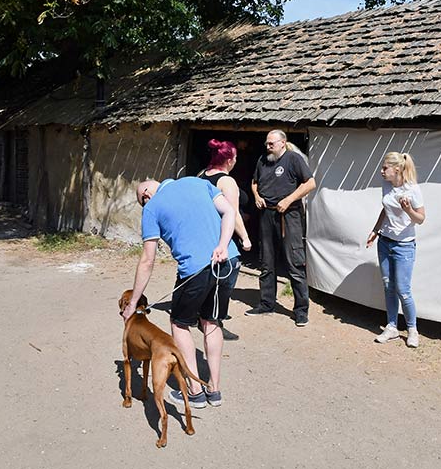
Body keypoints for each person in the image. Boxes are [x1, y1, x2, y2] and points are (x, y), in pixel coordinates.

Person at [122, 177, 240, 408]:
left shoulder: (152, 208)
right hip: (229, 261)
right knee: (211, 320)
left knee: (179, 323)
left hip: (195, 270)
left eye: (142, 202)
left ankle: (195, 391)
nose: (144, 206)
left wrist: (133, 303)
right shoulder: (197, 182)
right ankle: (214, 390)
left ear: (146, 194)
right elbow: (229, 212)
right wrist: (223, 245)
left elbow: (147, 260)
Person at [246, 129, 316, 326]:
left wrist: (289, 199)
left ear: (282, 143)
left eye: (272, 144)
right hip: (266, 214)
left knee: (295, 261)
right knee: (267, 261)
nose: (268, 147)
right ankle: (266, 303)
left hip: (289, 215)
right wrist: (257, 196)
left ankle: (301, 310)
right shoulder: (263, 160)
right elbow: (254, 182)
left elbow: (310, 183)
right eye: (267, 143)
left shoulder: (293, 159)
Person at [366, 152, 426, 348]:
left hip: (404, 245)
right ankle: (391, 327)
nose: (382, 171)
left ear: (397, 169)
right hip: (385, 242)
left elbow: (421, 219)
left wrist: (408, 210)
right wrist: (375, 230)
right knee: (388, 286)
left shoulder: (413, 190)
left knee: (403, 290)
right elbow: (386, 209)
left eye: (385, 168)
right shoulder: (386, 186)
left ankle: (412, 330)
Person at [198, 138, 252, 340]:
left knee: (207, 276)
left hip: (205, 235)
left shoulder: (201, 174)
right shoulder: (226, 181)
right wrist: (245, 237)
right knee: (225, 281)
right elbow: (233, 213)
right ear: (229, 160)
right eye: (235, 157)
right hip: (223, 236)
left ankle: (203, 313)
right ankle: (214, 321)